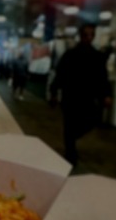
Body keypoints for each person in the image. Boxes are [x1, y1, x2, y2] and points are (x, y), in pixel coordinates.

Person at [48, 23, 112, 166]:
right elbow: (60, 75)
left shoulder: (97, 57)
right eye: (85, 34)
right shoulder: (70, 55)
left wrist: (106, 95)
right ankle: (71, 156)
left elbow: (102, 78)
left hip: (87, 98)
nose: (88, 37)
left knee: (90, 120)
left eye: (91, 35)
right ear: (80, 35)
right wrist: (53, 93)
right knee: (69, 125)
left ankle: (72, 139)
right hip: (70, 97)